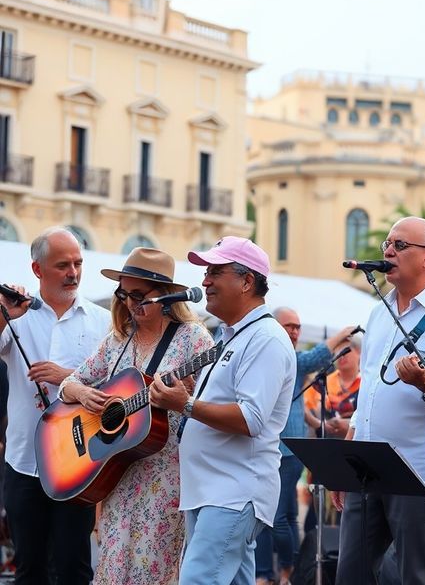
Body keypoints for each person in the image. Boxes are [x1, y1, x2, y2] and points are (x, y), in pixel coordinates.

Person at [332, 216, 425, 585]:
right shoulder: (379, 312)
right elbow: (368, 390)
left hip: (416, 468)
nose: (387, 251)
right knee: (351, 573)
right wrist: (348, 454)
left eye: (399, 245)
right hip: (367, 464)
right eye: (387, 243)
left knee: (415, 574)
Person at [59, 247, 214, 585]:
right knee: (112, 567)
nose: (130, 303)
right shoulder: (117, 340)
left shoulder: (193, 339)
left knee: (151, 568)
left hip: (165, 473)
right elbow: (68, 385)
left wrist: (187, 397)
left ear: (167, 296)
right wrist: (83, 393)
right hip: (117, 471)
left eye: (139, 295)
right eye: (124, 293)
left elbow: (212, 405)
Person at [149, 236, 296, 585]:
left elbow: (250, 418)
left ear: (247, 282)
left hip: (233, 491)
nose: (205, 281)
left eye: (215, 271)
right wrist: (186, 394)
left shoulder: (266, 339)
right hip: (213, 489)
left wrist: (183, 403)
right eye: (206, 272)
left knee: (198, 579)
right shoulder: (231, 335)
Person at [0, 226, 110, 584]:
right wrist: (5, 314)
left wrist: (67, 378)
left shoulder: (102, 321)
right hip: (24, 462)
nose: (73, 273)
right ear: (37, 270)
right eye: (63, 265)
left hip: (77, 465)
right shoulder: (17, 316)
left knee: (73, 567)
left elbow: (117, 386)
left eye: (78, 263)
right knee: (28, 568)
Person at [255, 308, 354, 585]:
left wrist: (317, 422)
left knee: (280, 517)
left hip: (289, 451)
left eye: (298, 327)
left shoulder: (293, 360)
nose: (295, 332)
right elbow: (315, 360)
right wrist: (339, 336)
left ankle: (284, 570)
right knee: (274, 516)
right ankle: (275, 571)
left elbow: (297, 404)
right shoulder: (277, 358)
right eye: (289, 326)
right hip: (269, 448)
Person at [304, 334, 362, 438]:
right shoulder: (322, 382)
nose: (341, 355)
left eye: (345, 350)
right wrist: (318, 423)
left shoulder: (366, 383)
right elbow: (304, 406)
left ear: (359, 352)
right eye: (337, 351)